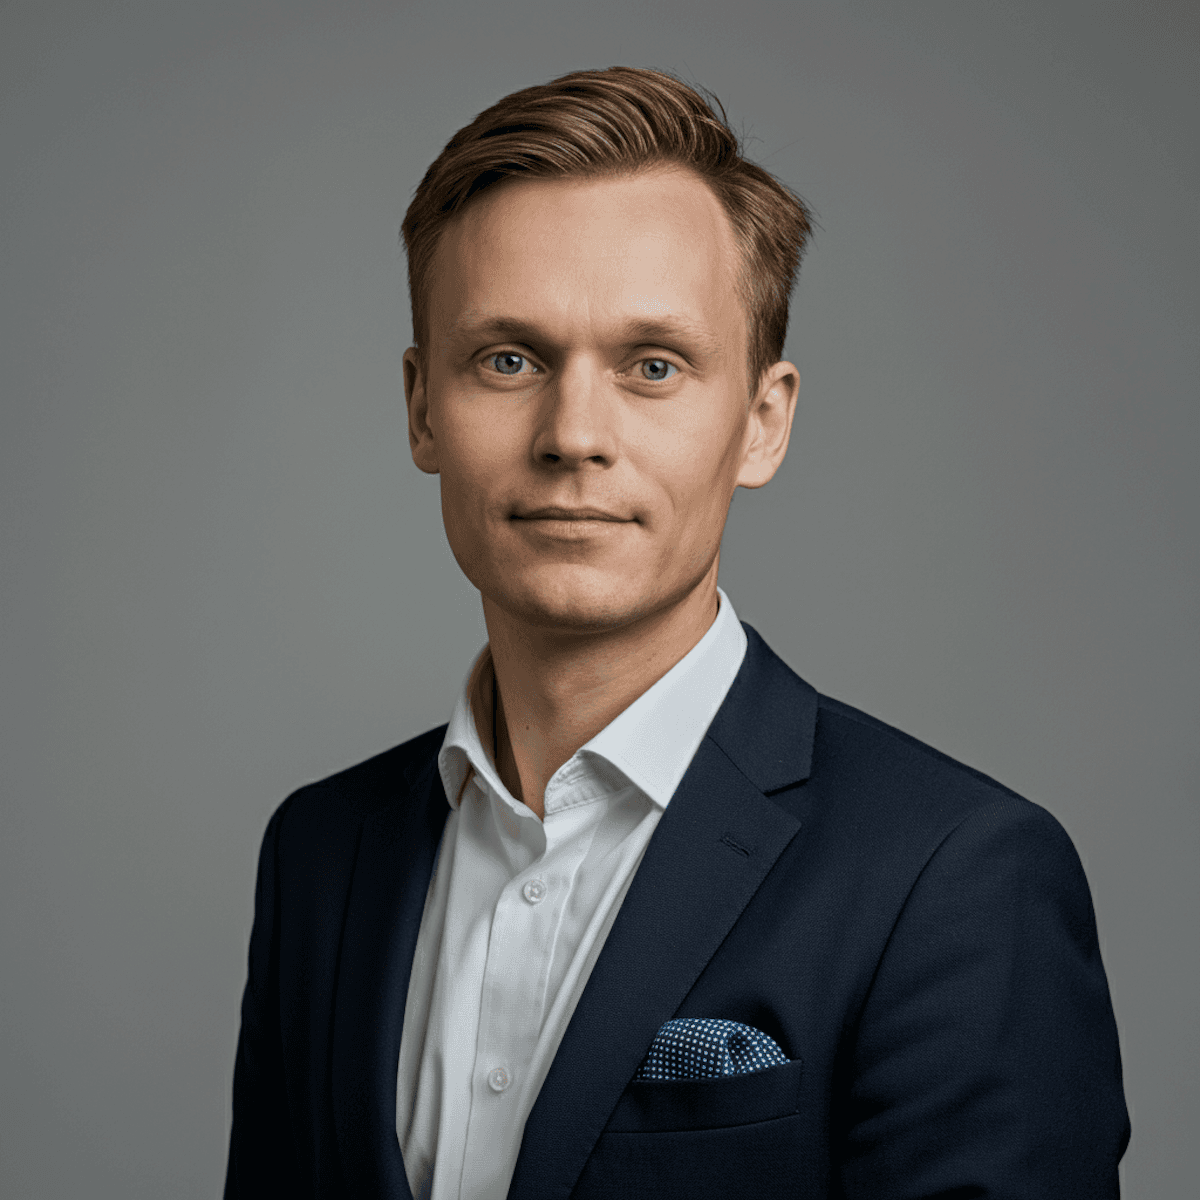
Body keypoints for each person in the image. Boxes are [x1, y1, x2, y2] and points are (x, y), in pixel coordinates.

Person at [224, 67, 1129, 1199]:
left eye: (653, 366)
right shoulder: (319, 855)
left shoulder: (953, 878)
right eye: (509, 359)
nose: (573, 435)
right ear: (421, 409)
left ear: (762, 423)